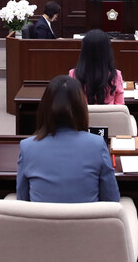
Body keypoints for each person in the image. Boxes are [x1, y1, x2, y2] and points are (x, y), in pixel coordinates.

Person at [16, 75, 120, 203]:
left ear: (44, 107)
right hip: (87, 216)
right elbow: (111, 199)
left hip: (40, 217)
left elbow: (22, 201)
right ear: (81, 108)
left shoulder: (27, 147)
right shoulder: (97, 144)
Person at [69, 29, 124, 104]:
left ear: (84, 52)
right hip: (109, 112)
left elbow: (71, 105)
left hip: (82, 112)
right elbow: (120, 107)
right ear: (107, 51)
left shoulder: (73, 74)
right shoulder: (116, 75)